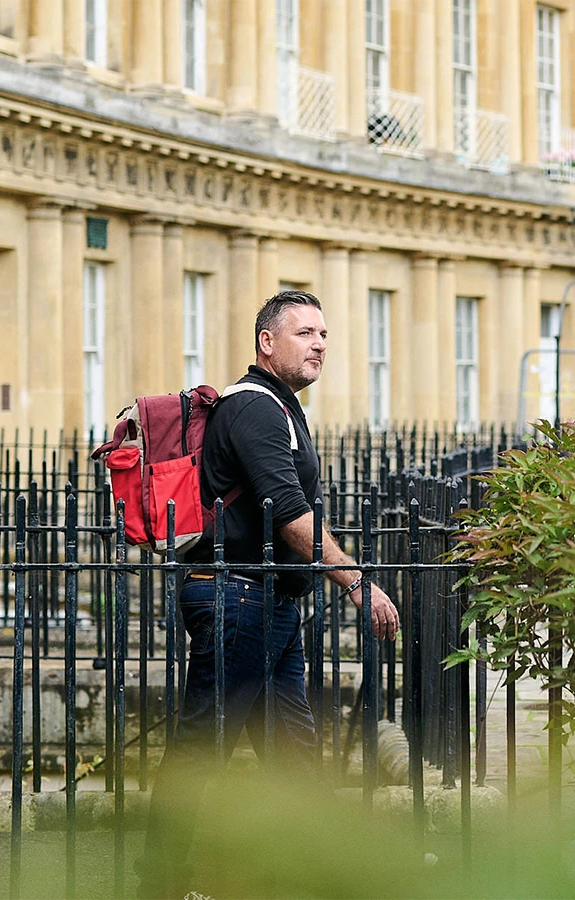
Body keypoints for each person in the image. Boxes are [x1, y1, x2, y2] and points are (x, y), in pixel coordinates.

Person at [138, 289, 401, 899]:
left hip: (270, 603)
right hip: (236, 599)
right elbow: (287, 511)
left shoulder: (282, 407)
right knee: (203, 750)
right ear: (267, 341)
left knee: (295, 753)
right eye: (305, 333)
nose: (320, 344)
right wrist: (357, 583)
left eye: (324, 334)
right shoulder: (255, 408)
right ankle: (160, 883)